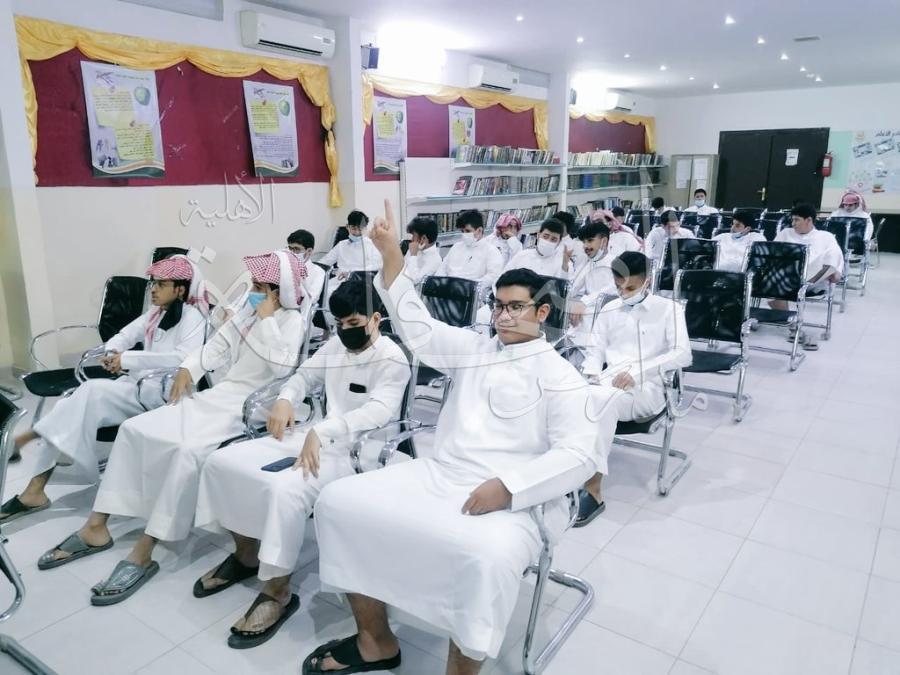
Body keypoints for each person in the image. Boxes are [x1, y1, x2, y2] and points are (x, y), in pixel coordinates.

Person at [301, 199, 616, 675]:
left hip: (517, 497)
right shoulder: (474, 348)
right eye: (498, 306)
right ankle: (375, 640)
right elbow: (421, 330)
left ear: (542, 311)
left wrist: (508, 487)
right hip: (441, 472)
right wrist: (393, 258)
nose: (503, 316)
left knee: (483, 556)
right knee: (338, 502)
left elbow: (578, 455)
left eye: (516, 307)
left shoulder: (562, 376)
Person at [36, 251, 308, 606]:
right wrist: (188, 369)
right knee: (135, 429)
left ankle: (144, 550)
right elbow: (215, 348)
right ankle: (96, 526)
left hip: (252, 407)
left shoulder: (291, 321)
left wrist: (268, 319)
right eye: (254, 286)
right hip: (219, 396)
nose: (253, 293)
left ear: (278, 291)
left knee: (184, 451)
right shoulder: (247, 313)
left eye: (260, 288)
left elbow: (282, 367)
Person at [193, 276, 409, 648]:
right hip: (315, 434)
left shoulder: (392, 359)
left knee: (285, 489)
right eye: (339, 323)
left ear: (376, 319)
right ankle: (246, 554)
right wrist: (285, 400)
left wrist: (323, 432)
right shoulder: (336, 346)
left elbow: (379, 411)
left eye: (354, 323)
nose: (345, 331)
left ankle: (277, 590)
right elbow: (303, 377)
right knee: (221, 462)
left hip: (360, 451)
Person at [0, 256, 207, 523]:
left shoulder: (193, 317)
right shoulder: (156, 313)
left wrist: (127, 360)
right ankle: (34, 490)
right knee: (68, 404)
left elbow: (182, 359)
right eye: (153, 283)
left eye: (161, 284)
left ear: (180, 289)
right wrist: (113, 351)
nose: (153, 289)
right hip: (137, 388)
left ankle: (27, 448)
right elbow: (125, 335)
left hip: (164, 395)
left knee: (89, 392)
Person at [577, 251, 692, 526]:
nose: (624, 294)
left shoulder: (669, 310)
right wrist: (591, 371)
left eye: (630, 288)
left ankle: (593, 490)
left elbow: (683, 354)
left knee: (600, 401)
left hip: (649, 387)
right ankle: (567, 473)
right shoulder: (610, 308)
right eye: (619, 287)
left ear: (647, 282)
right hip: (607, 381)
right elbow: (595, 348)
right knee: (573, 396)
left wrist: (639, 373)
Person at [773, 202, 844, 351]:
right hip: (787, 278)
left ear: (809, 220)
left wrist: (836, 271)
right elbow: (772, 253)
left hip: (813, 280)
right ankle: (794, 326)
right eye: (792, 220)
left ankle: (795, 327)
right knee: (772, 287)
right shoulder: (786, 233)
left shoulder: (825, 237)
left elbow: (835, 257)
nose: (793, 224)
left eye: (797, 220)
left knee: (831, 255)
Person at [435, 209, 503, 288]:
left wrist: (469, 286)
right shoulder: (456, 247)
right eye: (462, 231)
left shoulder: (491, 251)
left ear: (479, 230)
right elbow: (442, 269)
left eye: (468, 231)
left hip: (472, 291)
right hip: (448, 289)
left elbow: (493, 276)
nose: (464, 234)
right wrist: (441, 283)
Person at [319, 210, 383, 280]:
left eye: (360, 229)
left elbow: (377, 266)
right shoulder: (341, 245)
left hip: (361, 280)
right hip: (339, 280)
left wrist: (352, 274)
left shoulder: (372, 245)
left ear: (365, 228)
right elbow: (324, 262)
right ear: (347, 227)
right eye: (353, 229)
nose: (357, 232)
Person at [502, 217, 572, 279]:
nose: (548, 241)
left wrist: (564, 267)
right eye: (545, 236)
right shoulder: (522, 256)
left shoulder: (563, 263)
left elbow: (565, 286)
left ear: (559, 242)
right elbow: (503, 278)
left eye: (553, 239)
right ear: (538, 235)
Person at [288, 229, 327, 308]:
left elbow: (311, 299)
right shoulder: (286, 266)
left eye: (296, 249)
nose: (292, 252)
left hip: (302, 309)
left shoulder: (318, 272)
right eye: (290, 248)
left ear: (309, 251)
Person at [404, 216, 443, 282]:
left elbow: (414, 281)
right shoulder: (416, 248)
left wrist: (413, 255)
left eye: (414, 235)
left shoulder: (435, 260)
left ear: (424, 238)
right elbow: (401, 269)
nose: (412, 239)